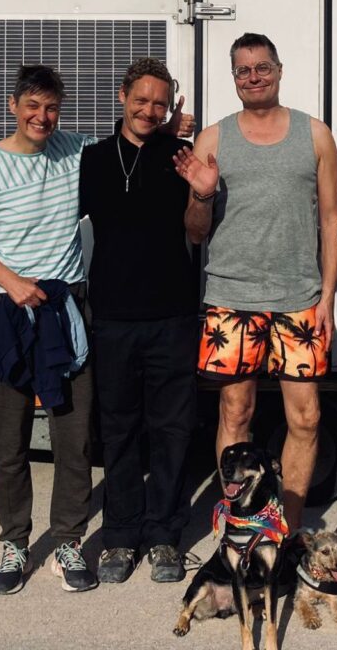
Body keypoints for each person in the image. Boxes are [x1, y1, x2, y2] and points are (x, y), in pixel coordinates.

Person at [0, 63, 191, 596]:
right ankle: (15, 543)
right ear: (13, 106)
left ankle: (67, 540)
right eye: (32, 106)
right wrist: (13, 283)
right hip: (3, 305)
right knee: (9, 437)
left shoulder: (77, 152)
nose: (42, 117)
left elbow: (132, 138)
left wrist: (171, 127)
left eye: (51, 108)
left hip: (65, 306)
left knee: (75, 436)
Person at [173, 32, 337, 530]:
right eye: (243, 70)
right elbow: (194, 231)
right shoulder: (213, 139)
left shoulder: (315, 135)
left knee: (306, 418)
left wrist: (327, 298)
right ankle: (241, 528)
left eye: (262, 67)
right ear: (234, 78)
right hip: (232, 296)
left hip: (300, 299)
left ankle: (285, 530)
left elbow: (330, 219)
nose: (254, 77)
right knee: (235, 413)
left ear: (279, 70)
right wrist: (201, 196)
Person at [79, 58, 199, 585]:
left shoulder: (180, 157)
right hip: (112, 318)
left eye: (159, 103)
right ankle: (120, 537)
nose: (149, 110)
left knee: (172, 430)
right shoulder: (91, 159)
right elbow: (45, 197)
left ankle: (165, 536)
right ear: (122, 96)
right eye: (141, 99)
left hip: (173, 315)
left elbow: (198, 230)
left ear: (169, 108)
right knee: (119, 430)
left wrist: (201, 189)